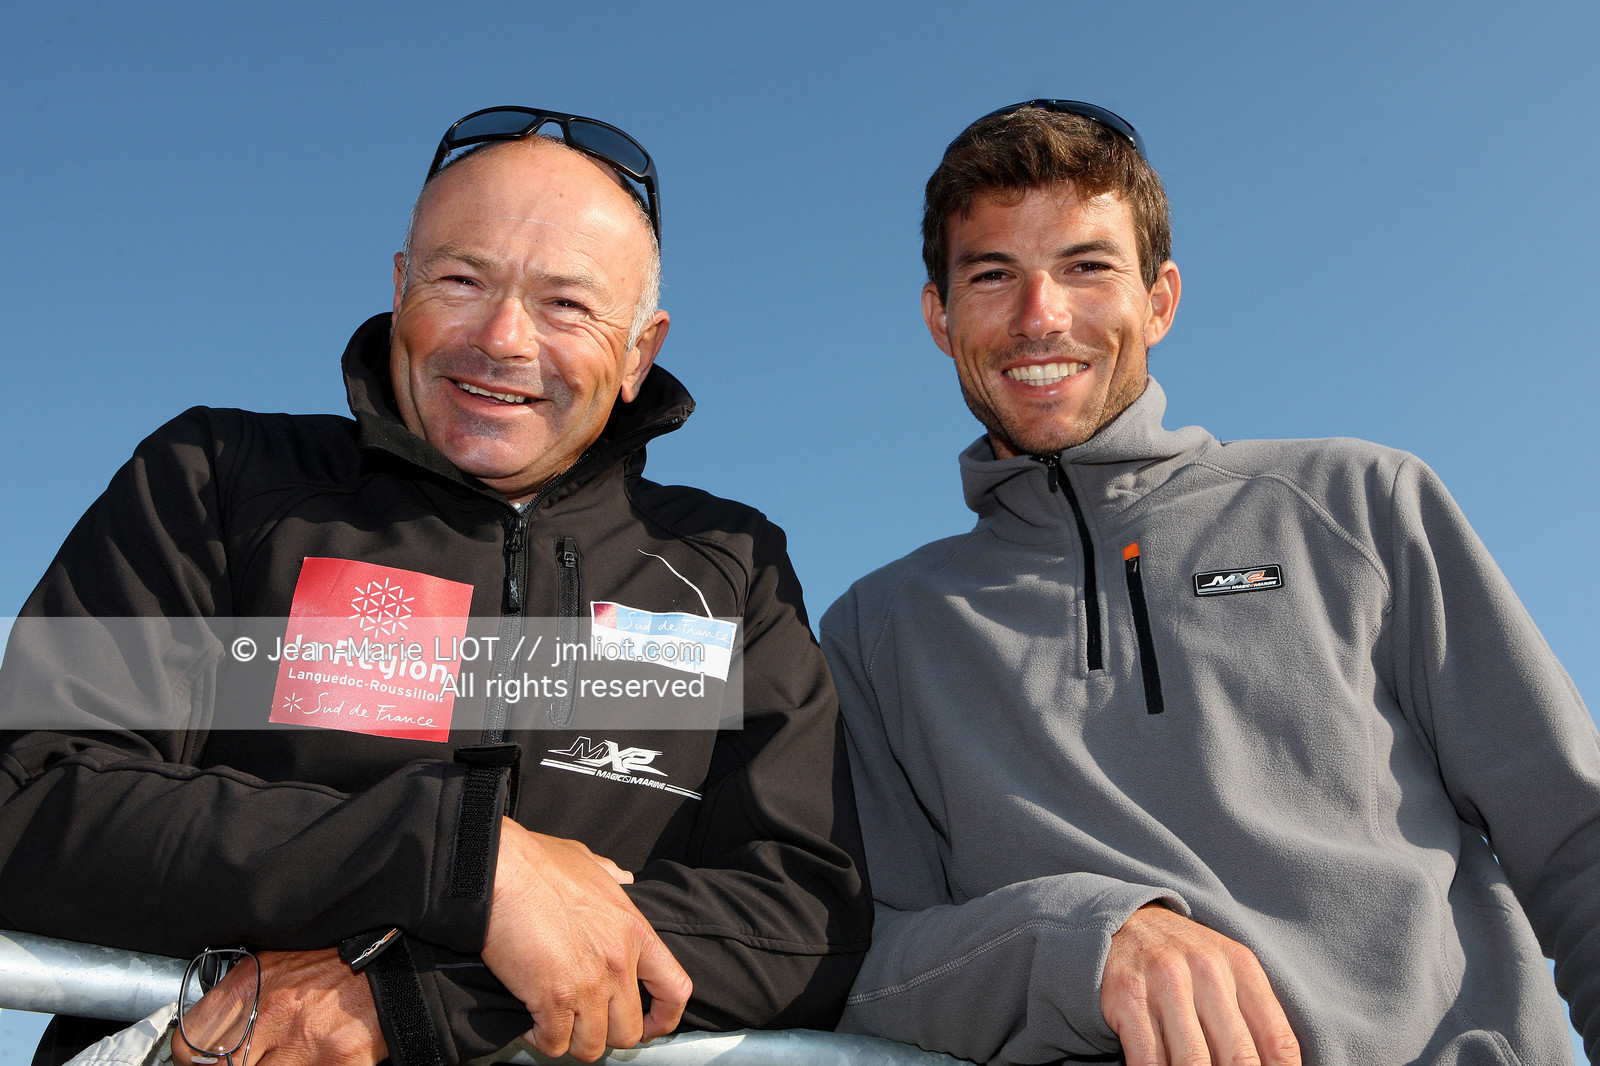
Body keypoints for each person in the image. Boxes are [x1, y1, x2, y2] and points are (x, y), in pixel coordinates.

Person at [0, 106, 869, 1066]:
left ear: (638, 353)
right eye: (461, 279)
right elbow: (30, 799)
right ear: (400, 287)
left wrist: (412, 999)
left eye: (567, 304)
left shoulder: (727, 563)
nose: (501, 338)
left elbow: (804, 916)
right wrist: (464, 860)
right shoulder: (219, 476)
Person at [821, 100, 1600, 1065]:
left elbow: (1577, 839)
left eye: (1086, 266)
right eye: (992, 275)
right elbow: (860, 960)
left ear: (1161, 299)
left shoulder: (1357, 503)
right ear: (941, 318)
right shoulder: (877, 628)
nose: (1040, 318)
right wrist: (1081, 941)